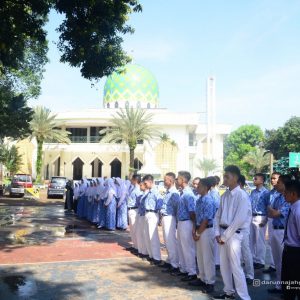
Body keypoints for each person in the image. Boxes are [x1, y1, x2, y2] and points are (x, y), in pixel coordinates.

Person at [213, 165, 250, 300]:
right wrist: (217, 233)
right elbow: (217, 215)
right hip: (222, 234)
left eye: (227, 176)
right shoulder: (225, 195)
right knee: (224, 266)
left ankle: (244, 297)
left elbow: (239, 220)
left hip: (234, 235)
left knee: (236, 267)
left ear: (235, 178)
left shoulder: (242, 196)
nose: (224, 179)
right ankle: (228, 292)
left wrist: (224, 236)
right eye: (224, 176)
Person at [171, 171, 197, 282]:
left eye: (178, 179)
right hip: (181, 222)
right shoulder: (182, 193)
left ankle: (192, 272)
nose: (176, 181)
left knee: (188, 248)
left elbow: (192, 212)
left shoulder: (188, 194)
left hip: (187, 222)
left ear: (183, 180)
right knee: (181, 247)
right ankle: (184, 269)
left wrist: (194, 227)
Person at [192, 177, 216, 294]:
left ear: (206, 188)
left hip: (206, 231)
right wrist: (194, 230)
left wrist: (197, 232)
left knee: (207, 257)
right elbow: (197, 216)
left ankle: (210, 282)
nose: (197, 187)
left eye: (200, 186)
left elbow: (206, 220)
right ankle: (202, 278)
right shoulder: (199, 199)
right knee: (200, 256)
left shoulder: (208, 200)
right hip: (199, 230)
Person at [267, 175, 290, 294]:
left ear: (285, 184)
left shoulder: (288, 198)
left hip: (283, 231)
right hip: (275, 229)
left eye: (279, 182)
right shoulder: (277, 197)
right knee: (277, 260)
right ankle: (279, 285)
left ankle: (286, 287)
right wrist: (272, 211)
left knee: (283, 261)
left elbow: (275, 213)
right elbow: (270, 214)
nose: (276, 184)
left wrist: (272, 210)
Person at [281, 179, 300, 300]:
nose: (284, 194)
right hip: (288, 251)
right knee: (287, 286)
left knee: (295, 284)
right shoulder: (292, 207)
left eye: (286, 192)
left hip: (296, 253)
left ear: (293, 194)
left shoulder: (298, 211)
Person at [160, 172, 180, 272]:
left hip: (170, 218)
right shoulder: (168, 192)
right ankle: (170, 260)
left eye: (165, 180)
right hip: (165, 217)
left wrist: (176, 221)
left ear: (171, 181)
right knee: (167, 241)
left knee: (171, 241)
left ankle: (174, 264)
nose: (164, 182)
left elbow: (177, 208)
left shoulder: (174, 193)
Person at [249, 173, 269, 269]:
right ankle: (252, 259)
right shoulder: (253, 192)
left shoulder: (266, 193)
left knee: (260, 240)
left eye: (256, 178)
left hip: (261, 217)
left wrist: (266, 220)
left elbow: (268, 207)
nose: (254, 180)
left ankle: (260, 261)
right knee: (251, 239)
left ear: (262, 181)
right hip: (251, 216)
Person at [142, 174, 162, 265]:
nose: (144, 185)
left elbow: (160, 203)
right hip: (147, 213)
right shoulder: (149, 191)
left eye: (145, 183)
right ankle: (151, 255)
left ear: (150, 182)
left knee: (152, 236)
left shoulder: (155, 191)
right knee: (147, 235)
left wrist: (158, 215)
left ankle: (156, 258)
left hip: (153, 213)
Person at [263, 171, 281, 274]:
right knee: (270, 243)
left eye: (275, 178)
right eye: (271, 178)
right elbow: (267, 208)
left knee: (279, 246)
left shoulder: (282, 193)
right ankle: (273, 265)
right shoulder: (270, 193)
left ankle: (279, 267)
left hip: (279, 220)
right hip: (270, 220)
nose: (272, 180)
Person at [238, 175, 254, 285]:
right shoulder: (233, 195)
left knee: (245, 252)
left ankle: (250, 275)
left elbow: (246, 215)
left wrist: (243, 228)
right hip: (235, 229)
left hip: (242, 229)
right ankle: (240, 274)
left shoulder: (244, 196)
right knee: (237, 255)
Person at [126, 174, 142, 252]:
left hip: (135, 210)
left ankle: (138, 247)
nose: (131, 180)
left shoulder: (138, 189)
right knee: (132, 230)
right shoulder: (133, 188)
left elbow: (139, 202)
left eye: (132, 179)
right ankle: (135, 245)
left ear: (135, 180)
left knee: (136, 230)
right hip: (131, 209)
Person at [136, 181, 148, 258]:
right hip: (141, 215)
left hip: (144, 215)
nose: (140, 187)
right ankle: (142, 251)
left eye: (141, 185)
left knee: (144, 234)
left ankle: (145, 252)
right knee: (140, 233)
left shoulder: (147, 194)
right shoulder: (142, 194)